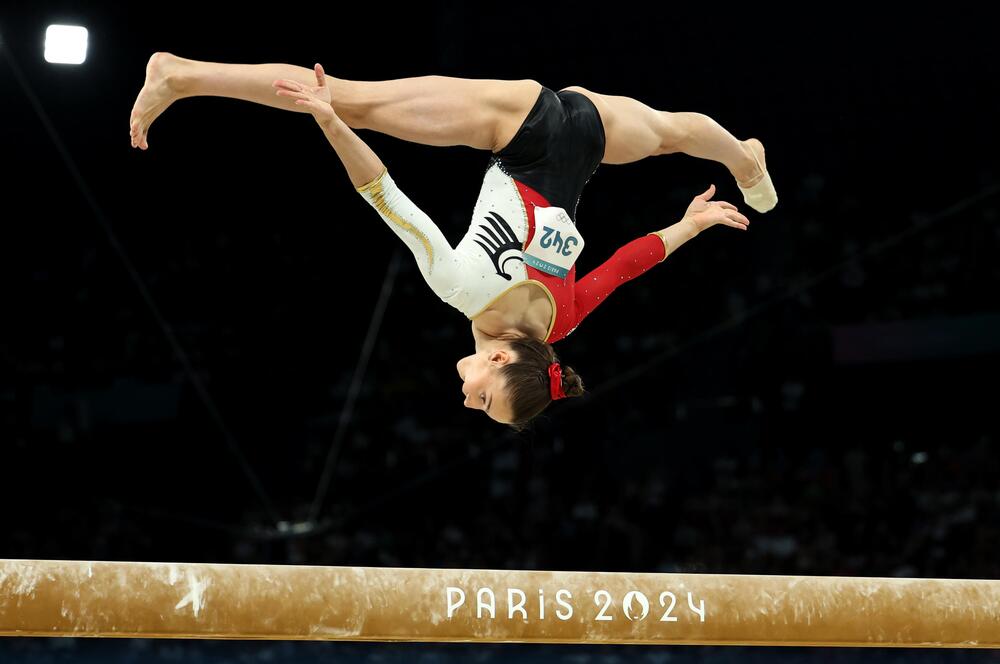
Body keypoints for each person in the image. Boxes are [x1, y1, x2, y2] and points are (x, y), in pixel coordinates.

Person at [129, 53, 776, 429]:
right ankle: (180, 75)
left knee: (673, 134)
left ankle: (744, 159)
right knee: (345, 100)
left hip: (585, 140)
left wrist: (689, 225)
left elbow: (624, 267)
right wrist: (326, 123)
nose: (467, 400)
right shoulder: (461, 290)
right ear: (499, 362)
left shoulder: (563, 323)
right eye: (484, 400)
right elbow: (382, 192)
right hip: (515, 129)